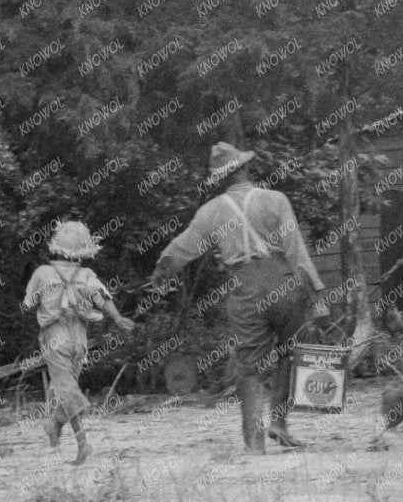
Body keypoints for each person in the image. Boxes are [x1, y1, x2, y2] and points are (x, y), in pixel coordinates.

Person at [148, 142, 326, 453]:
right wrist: (317, 295)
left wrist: (160, 272)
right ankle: (280, 423)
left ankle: (255, 443)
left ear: (219, 178)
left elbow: (181, 249)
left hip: (244, 288)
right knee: (290, 353)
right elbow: (296, 250)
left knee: (250, 366)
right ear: (245, 168)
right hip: (283, 281)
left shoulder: (210, 211)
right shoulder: (275, 200)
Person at [23, 220, 135, 466]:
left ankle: (69, 430)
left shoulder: (42, 273)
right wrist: (117, 318)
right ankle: (66, 432)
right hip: (79, 340)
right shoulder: (86, 275)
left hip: (55, 338)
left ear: (57, 248)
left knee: (66, 390)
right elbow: (101, 298)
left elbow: (28, 303)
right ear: (81, 252)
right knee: (65, 389)